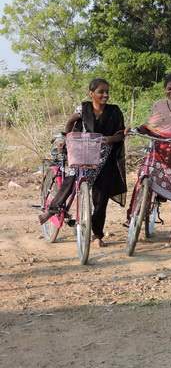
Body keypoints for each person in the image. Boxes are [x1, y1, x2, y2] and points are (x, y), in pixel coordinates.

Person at [38, 78, 127, 247]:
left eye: (107, 91)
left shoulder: (114, 111)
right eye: (101, 92)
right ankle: (52, 210)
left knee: (101, 200)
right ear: (91, 93)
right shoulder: (83, 108)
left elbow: (121, 134)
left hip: (105, 159)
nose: (105, 95)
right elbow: (71, 121)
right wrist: (67, 136)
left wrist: (110, 139)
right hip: (82, 153)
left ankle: (97, 235)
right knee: (71, 179)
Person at [127, 73, 171, 244]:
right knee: (143, 176)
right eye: (170, 88)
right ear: (165, 89)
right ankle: (134, 216)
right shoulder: (158, 105)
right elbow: (151, 126)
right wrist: (138, 129)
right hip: (157, 149)